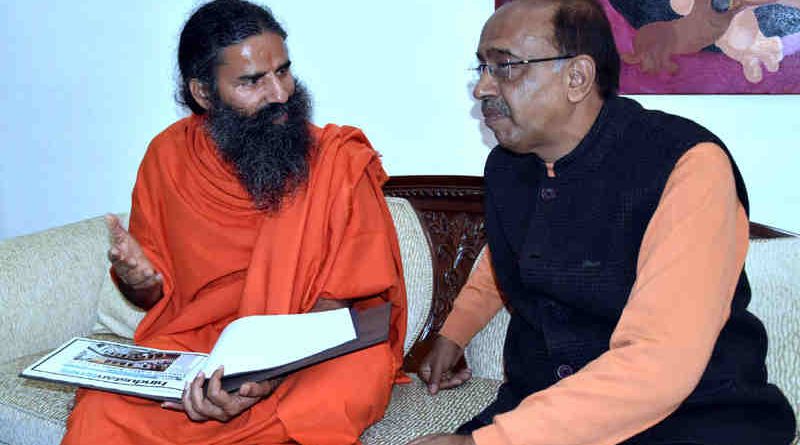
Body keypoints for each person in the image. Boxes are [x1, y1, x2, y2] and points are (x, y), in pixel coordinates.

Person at [410, 1, 796, 444]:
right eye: (481, 67)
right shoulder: (506, 168)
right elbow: (511, 256)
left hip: (690, 417)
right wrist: (454, 333)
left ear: (577, 77)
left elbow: (660, 362)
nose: (481, 87)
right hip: (542, 409)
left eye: (505, 67)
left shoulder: (686, 164)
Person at [61, 1, 407, 444]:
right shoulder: (167, 158)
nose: (280, 94)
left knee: (333, 394)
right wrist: (136, 279)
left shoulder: (337, 162)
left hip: (316, 348)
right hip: (207, 346)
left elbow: (344, 304)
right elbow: (155, 297)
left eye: (283, 71)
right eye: (252, 81)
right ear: (204, 93)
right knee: (102, 409)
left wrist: (266, 373)